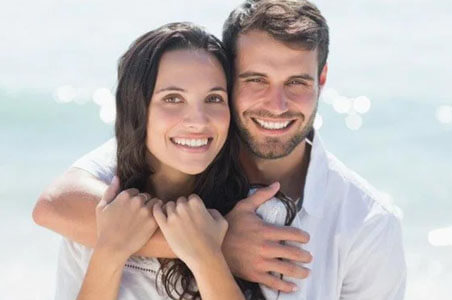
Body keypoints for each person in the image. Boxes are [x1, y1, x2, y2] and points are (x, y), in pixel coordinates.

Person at [33, 0, 407, 299]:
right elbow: (56, 204)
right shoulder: (174, 150)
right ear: (229, 76)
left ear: (321, 79)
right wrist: (212, 243)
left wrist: (205, 248)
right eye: (256, 79)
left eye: (296, 82)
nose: (276, 105)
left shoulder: (368, 225)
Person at [52, 22, 295, 300]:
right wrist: (111, 250)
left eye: (214, 98)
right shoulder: (99, 217)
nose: (198, 121)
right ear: (137, 107)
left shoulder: (260, 217)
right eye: (173, 98)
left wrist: (208, 256)